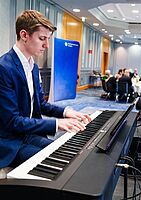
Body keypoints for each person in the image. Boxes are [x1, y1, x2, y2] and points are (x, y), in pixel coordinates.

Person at [0, 10, 91, 169]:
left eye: (47, 39)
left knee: (67, 153)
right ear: (24, 35)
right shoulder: (4, 68)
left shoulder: (33, 67)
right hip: (9, 142)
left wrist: (67, 113)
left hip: (28, 135)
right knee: (57, 163)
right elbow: (12, 122)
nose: (46, 45)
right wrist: (57, 124)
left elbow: (40, 104)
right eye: (42, 38)